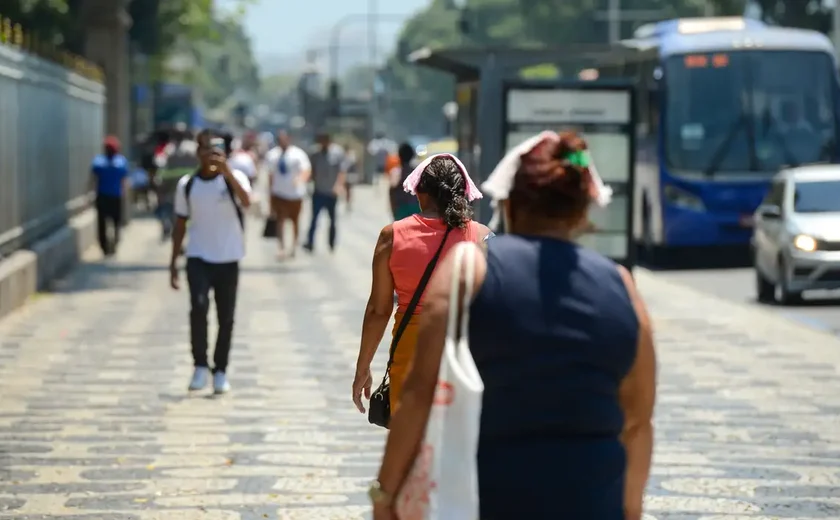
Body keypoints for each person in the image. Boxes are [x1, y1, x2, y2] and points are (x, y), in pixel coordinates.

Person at [369, 131, 656, 519]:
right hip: (591, 499)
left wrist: (386, 495)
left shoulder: (468, 271)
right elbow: (638, 421)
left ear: (510, 201)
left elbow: (420, 393)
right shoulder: (622, 286)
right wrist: (630, 510)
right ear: (582, 210)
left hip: (491, 496)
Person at [352, 153, 491, 417]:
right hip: (465, 355)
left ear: (421, 193)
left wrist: (363, 367)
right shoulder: (483, 237)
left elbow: (378, 311)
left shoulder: (391, 236)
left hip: (411, 354)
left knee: (412, 444)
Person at [169, 129, 252, 395]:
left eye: (216, 149)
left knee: (226, 317)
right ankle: (200, 365)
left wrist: (227, 172)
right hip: (198, 257)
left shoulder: (234, 178)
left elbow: (247, 201)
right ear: (198, 152)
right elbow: (180, 223)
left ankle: (220, 370)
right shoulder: (187, 184)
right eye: (205, 149)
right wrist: (173, 262)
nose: (210, 154)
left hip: (228, 257)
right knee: (198, 307)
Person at [266, 130, 310, 258]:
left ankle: (294, 246)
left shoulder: (298, 154)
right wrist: (270, 194)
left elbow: (306, 170)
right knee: (280, 221)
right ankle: (281, 247)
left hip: (295, 195)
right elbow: (270, 176)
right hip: (279, 193)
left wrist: (300, 180)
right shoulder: (272, 155)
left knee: (295, 221)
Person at [303, 132, 345, 254]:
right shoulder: (315, 154)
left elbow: (341, 172)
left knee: (332, 220)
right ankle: (310, 243)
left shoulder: (337, 153)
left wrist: (338, 186)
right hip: (319, 191)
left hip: (331, 192)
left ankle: (331, 243)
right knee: (314, 219)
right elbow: (311, 170)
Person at [90, 136, 129, 256]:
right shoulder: (121, 162)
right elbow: (124, 181)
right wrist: (125, 195)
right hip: (115, 196)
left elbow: (93, 180)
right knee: (116, 221)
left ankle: (105, 246)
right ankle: (114, 242)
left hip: (103, 196)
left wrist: (90, 194)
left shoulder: (98, 162)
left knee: (102, 223)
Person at [388, 143, 422, 221]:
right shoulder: (417, 171)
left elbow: (392, 190)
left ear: (399, 156)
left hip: (401, 209)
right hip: (416, 209)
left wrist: (393, 210)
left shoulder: (396, 172)